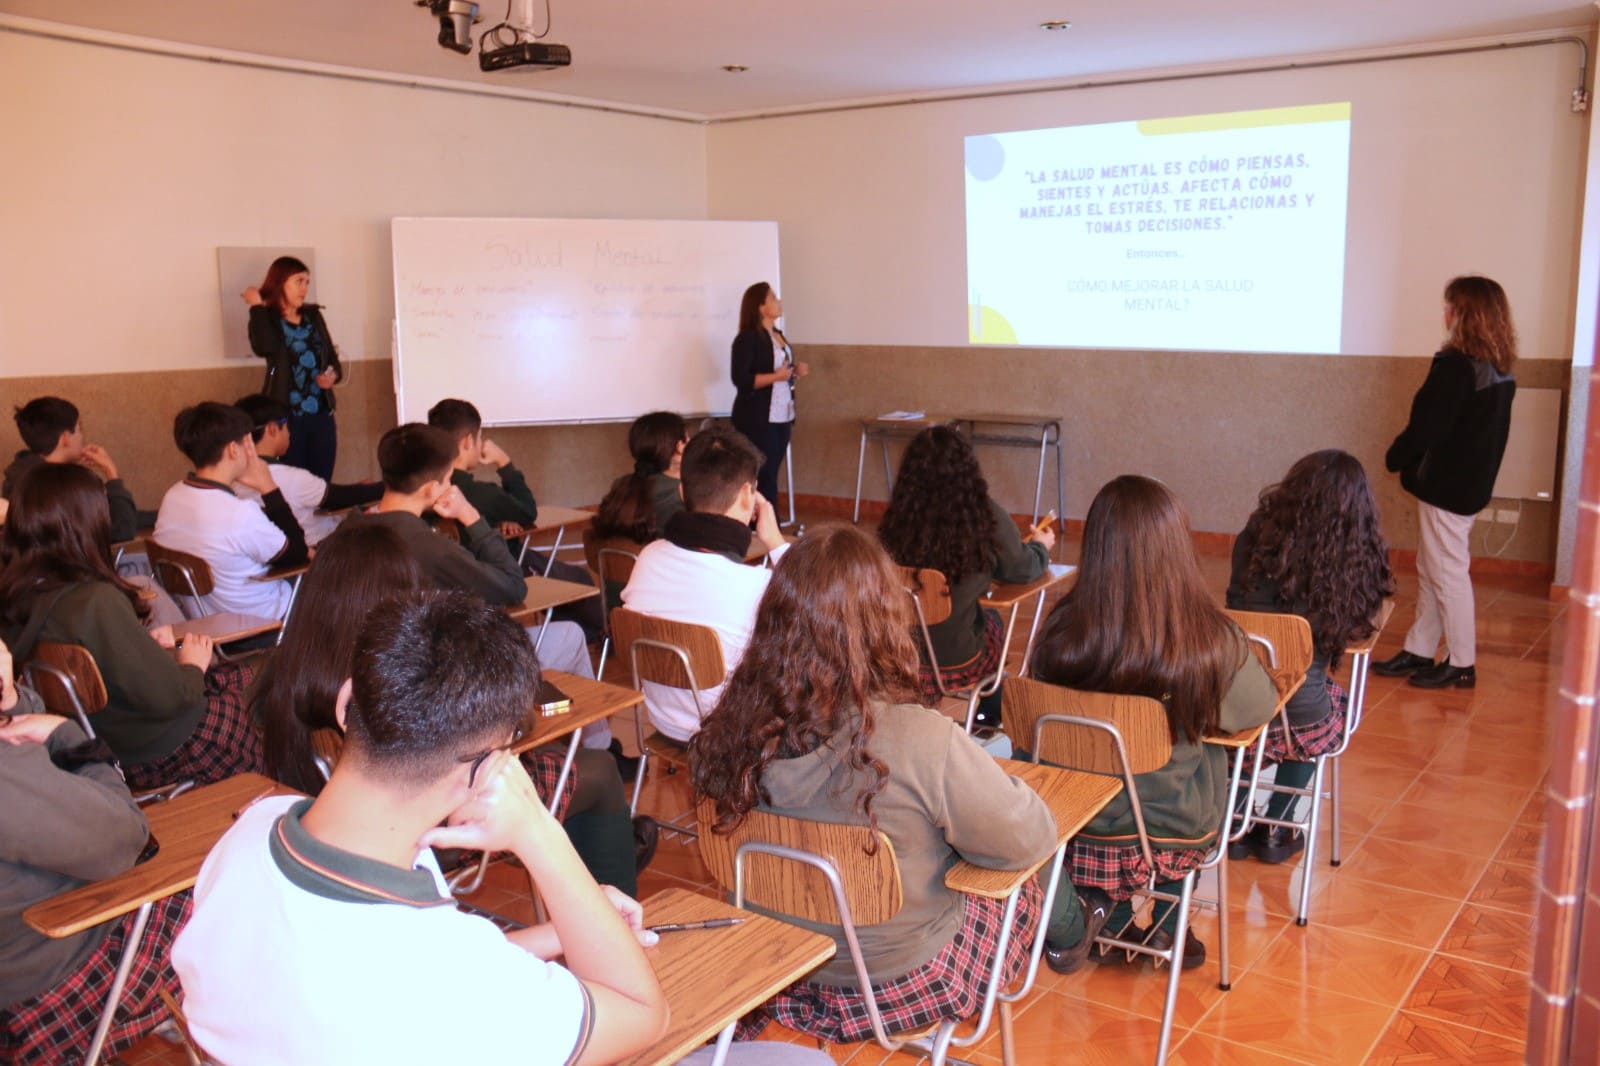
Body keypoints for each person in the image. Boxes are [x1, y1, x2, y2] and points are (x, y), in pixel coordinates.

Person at [172, 590, 671, 1065]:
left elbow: (414, 969)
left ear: (346, 703)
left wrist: (564, 931)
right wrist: (540, 833)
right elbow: (641, 1013)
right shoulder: (444, 979)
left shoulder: (251, 830)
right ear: (483, 774)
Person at [689, 527, 1110, 1047]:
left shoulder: (727, 733)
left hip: (781, 968)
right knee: (1016, 866)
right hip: (902, 978)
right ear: (885, 621)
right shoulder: (917, 737)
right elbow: (1027, 839)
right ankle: (1072, 933)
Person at [252, 521, 653, 896]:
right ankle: (606, 899)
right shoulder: (400, 660)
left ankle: (597, 863)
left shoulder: (280, 671)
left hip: (325, 834)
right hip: (431, 825)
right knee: (597, 774)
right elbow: (496, 729)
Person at [1029, 475, 1277, 968]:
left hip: (1078, 819)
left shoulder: (1060, 630)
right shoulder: (1209, 638)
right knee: (1207, 750)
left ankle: (1110, 921)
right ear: (1177, 548)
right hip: (1170, 825)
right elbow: (1256, 710)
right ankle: (1168, 928)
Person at [0, 464, 263, 789]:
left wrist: (139, 643)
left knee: (243, 680)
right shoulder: (95, 601)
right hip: (162, 747)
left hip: (102, 741)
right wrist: (192, 664)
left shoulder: (18, 598)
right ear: (87, 520)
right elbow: (171, 699)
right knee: (256, 687)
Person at [346, 424, 609, 749]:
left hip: (375, 678)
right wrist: (469, 515)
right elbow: (514, 587)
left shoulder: (350, 526)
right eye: (447, 480)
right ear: (431, 489)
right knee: (570, 635)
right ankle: (601, 747)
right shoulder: (427, 546)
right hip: (437, 683)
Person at [0, 641, 189, 1064]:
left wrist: (11, 699)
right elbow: (129, 835)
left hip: (22, 951)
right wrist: (67, 736)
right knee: (233, 889)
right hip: (49, 987)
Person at [1226, 450, 1394, 863]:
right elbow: (1357, 631)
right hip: (1301, 710)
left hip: (1238, 701)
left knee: (1252, 725)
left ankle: (1232, 822)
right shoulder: (1351, 552)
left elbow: (1235, 603)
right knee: (1328, 701)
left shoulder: (1255, 534)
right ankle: (1277, 831)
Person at [1373, 275, 1518, 689]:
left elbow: (1428, 427)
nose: (1445, 313)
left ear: (1465, 314)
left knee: (1447, 571)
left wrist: (1397, 456)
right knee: (1433, 566)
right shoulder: (1495, 367)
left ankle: (1461, 661)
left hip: (1448, 486)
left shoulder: (1457, 367)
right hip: (1466, 485)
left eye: (1450, 305)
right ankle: (1420, 647)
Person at [876, 425, 1053, 728]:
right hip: (956, 657)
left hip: (900, 654)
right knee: (993, 623)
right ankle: (987, 714)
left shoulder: (896, 520)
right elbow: (1021, 570)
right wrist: (1040, 547)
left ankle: (940, 709)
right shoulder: (984, 516)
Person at [620, 425, 788, 743]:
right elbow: (820, 606)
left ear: (682, 493)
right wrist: (776, 542)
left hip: (664, 724)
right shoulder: (756, 585)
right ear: (747, 496)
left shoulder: (648, 558)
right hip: (730, 736)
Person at [426, 398, 603, 640]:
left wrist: (494, 523)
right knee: (580, 580)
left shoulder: (427, 490)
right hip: (504, 570)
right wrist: (504, 462)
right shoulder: (480, 493)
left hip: (460, 583)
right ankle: (595, 639)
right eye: (479, 438)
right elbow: (528, 511)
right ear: (468, 441)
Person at [153, 402, 309, 621]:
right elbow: (298, 555)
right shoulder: (238, 514)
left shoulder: (173, 496)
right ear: (233, 450)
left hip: (205, 621)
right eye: (247, 442)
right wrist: (268, 486)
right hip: (261, 620)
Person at [233, 394, 382, 545]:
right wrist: (396, 483)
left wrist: (358, 488)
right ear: (272, 429)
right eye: (287, 425)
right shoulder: (291, 478)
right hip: (321, 549)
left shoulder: (233, 479)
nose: (289, 432)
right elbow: (346, 497)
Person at [243, 255, 343, 479]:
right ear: (281, 283)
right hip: (286, 415)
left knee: (320, 480)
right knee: (291, 478)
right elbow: (264, 347)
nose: (304, 289)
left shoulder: (313, 315)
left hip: (320, 411)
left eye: (307, 282)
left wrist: (332, 376)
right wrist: (256, 307)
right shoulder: (266, 316)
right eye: (299, 281)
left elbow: (331, 359)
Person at [5, 397, 145, 543]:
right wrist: (111, 474)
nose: (82, 436)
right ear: (65, 438)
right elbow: (122, 531)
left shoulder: (20, 476)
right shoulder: (64, 486)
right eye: (79, 429)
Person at [730, 282, 808, 507]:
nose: (779, 302)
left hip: (782, 415)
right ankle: (764, 522)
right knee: (764, 474)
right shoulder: (747, 338)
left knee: (772, 471)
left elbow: (781, 371)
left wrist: (795, 371)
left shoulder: (778, 335)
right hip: (757, 418)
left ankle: (766, 520)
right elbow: (741, 380)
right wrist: (776, 376)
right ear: (761, 307)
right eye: (773, 298)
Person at [593, 410, 689, 545]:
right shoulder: (684, 490)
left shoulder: (622, 484)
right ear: (679, 447)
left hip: (633, 562)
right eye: (688, 439)